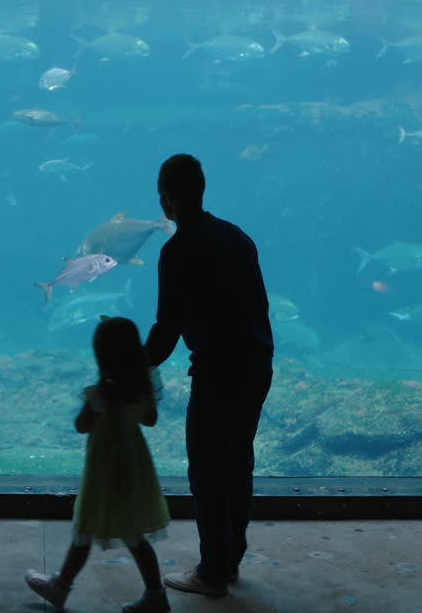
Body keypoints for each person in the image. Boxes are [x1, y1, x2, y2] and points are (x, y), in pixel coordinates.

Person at [143, 153, 273, 598]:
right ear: (201, 190)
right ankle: (229, 560)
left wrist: (132, 364)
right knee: (238, 464)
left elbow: (166, 330)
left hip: (218, 372)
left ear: (167, 198)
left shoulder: (177, 250)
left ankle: (213, 572)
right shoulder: (238, 238)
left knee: (207, 471)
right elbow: (260, 307)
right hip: (257, 364)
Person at [25, 316, 172, 613]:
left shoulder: (99, 393)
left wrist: (93, 412)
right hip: (134, 468)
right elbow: (150, 420)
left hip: (104, 472)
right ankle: (156, 595)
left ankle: (60, 588)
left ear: (101, 354)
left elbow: (81, 426)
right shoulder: (141, 391)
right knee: (135, 536)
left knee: (84, 529)